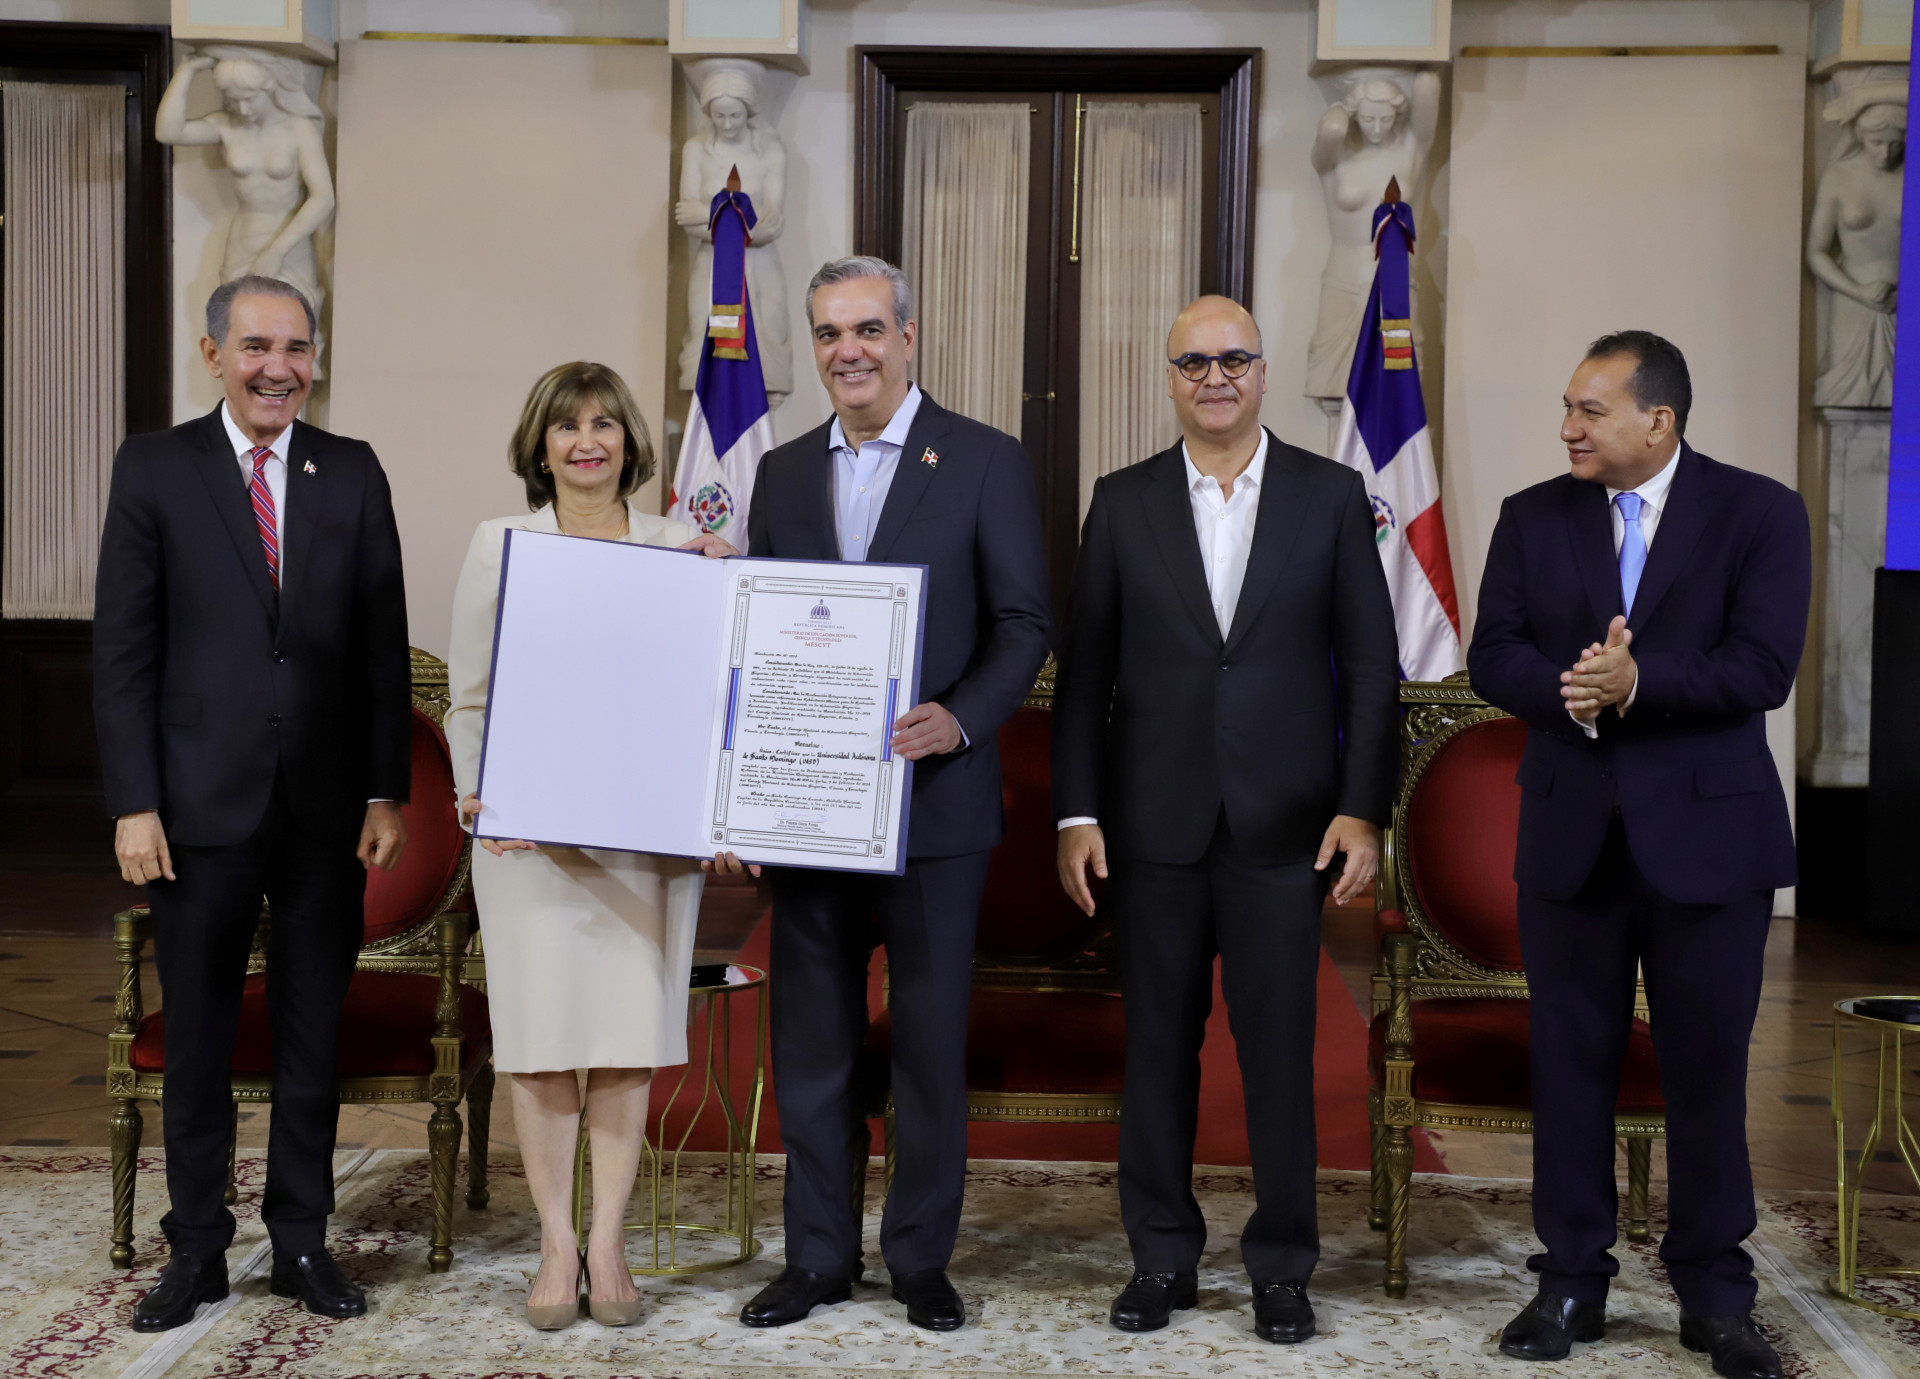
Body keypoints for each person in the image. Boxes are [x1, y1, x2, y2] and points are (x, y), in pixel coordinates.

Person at [1053, 295, 1399, 1343]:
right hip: (1150, 827)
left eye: (1234, 359)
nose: (1215, 377)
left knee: (1281, 1056)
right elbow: (1085, 676)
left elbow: (1372, 668)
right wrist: (1077, 812)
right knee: (1158, 1050)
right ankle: (1161, 1255)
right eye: (1195, 361)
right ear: (1171, 379)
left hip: (1285, 828)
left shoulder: (1330, 496)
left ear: (1262, 372)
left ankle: (1282, 1265)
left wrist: (1362, 809)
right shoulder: (1121, 501)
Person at [714, 255, 1050, 1333]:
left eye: (866, 329)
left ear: (908, 336)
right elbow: (762, 640)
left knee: (926, 1046)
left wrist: (960, 716)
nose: (847, 351)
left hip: (936, 805)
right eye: (828, 333)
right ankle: (817, 1257)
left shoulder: (985, 459)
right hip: (810, 811)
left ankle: (918, 1257)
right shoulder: (782, 471)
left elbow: (1025, 624)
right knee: (810, 1046)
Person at [1468, 332, 1809, 1379]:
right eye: (1567, 408)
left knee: (1706, 1071)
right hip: (1571, 837)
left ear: (1658, 420)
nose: (1567, 428)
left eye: (1590, 410)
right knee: (1570, 1067)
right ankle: (1571, 1279)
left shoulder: (1760, 512)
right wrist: (1573, 691)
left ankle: (1715, 1295)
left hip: (1710, 842)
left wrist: (1639, 681)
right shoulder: (1532, 515)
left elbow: (1763, 667)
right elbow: (1493, 653)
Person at [93, 275, 410, 1331]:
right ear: (214, 354)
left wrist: (385, 788)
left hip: (326, 809)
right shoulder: (155, 466)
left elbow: (380, 645)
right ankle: (195, 1248)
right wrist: (135, 801)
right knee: (199, 1035)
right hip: (193, 810)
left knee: (312, 1032)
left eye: (297, 348)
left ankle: (302, 1239)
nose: (279, 367)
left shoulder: (351, 469)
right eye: (257, 347)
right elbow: (124, 650)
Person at [445, 361, 734, 1331]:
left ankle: (607, 1240)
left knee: (620, 1040)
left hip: (642, 846)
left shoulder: (681, 548)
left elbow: (709, 692)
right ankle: (555, 1242)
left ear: (629, 442)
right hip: (525, 842)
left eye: (605, 422)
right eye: (567, 424)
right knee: (539, 1044)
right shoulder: (501, 542)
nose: (587, 440)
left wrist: (733, 583)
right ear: (541, 443)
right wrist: (479, 798)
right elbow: (471, 696)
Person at [156, 48, 334, 355]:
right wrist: (187, 70)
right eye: (233, 100)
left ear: (270, 87)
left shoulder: (298, 129)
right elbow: (168, 131)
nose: (243, 108)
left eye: (250, 98)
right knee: (237, 330)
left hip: (289, 242)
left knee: (295, 328)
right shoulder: (226, 125)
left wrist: (276, 250)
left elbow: (324, 198)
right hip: (243, 239)